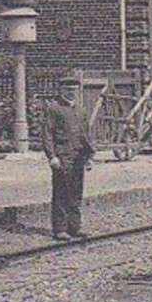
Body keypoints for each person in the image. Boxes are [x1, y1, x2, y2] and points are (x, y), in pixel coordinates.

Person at [41, 72, 95, 241]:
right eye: (67, 89)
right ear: (61, 90)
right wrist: (52, 156)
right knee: (61, 193)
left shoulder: (80, 110)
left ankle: (74, 227)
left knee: (76, 194)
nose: (71, 92)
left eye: (74, 89)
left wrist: (89, 156)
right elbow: (47, 134)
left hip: (78, 156)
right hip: (62, 156)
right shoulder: (54, 108)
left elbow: (86, 134)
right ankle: (60, 229)